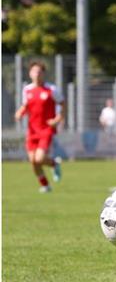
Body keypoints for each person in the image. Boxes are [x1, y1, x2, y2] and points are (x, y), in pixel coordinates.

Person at [14, 61, 65, 193]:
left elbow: (63, 104)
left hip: (46, 129)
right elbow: (26, 106)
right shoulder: (27, 89)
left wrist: (57, 119)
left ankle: (54, 164)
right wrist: (20, 113)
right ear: (30, 74)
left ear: (43, 74)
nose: (36, 74)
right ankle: (45, 185)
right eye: (34, 71)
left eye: (39, 71)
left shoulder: (51, 89)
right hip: (32, 130)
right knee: (33, 161)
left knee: (39, 158)